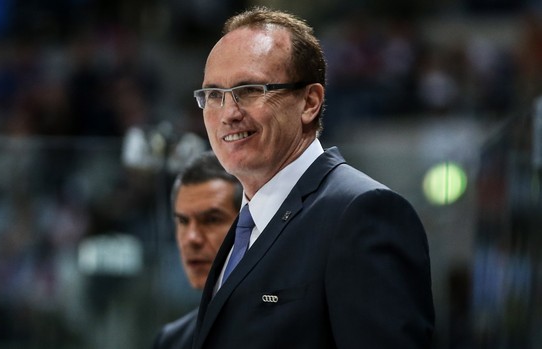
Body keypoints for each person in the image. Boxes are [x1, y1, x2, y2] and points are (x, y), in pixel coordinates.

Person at [191, 6, 434, 348]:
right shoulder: (246, 224)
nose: (228, 113)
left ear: (310, 102)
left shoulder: (362, 213)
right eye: (214, 95)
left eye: (250, 90)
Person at [152, 151, 242, 349]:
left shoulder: (281, 331)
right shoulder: (171, 341)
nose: (192, 238)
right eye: (183, 221)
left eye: (212, 219)